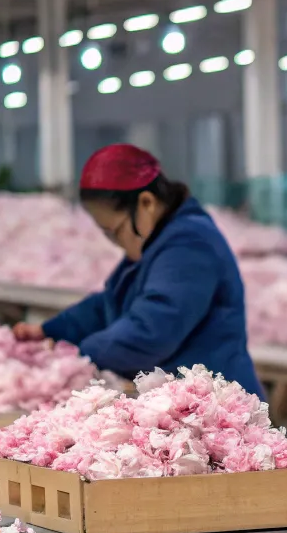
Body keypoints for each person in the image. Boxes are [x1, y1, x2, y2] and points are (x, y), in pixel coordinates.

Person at [13, 144, 264, 395]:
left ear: (146, 203)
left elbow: (151, 330)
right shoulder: (157, 240)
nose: (115, 242)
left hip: (220, 411)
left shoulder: (189, 244)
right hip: (186, 404)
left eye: (114, 231)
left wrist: (76, 358)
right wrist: (51, 331)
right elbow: (110, 304)